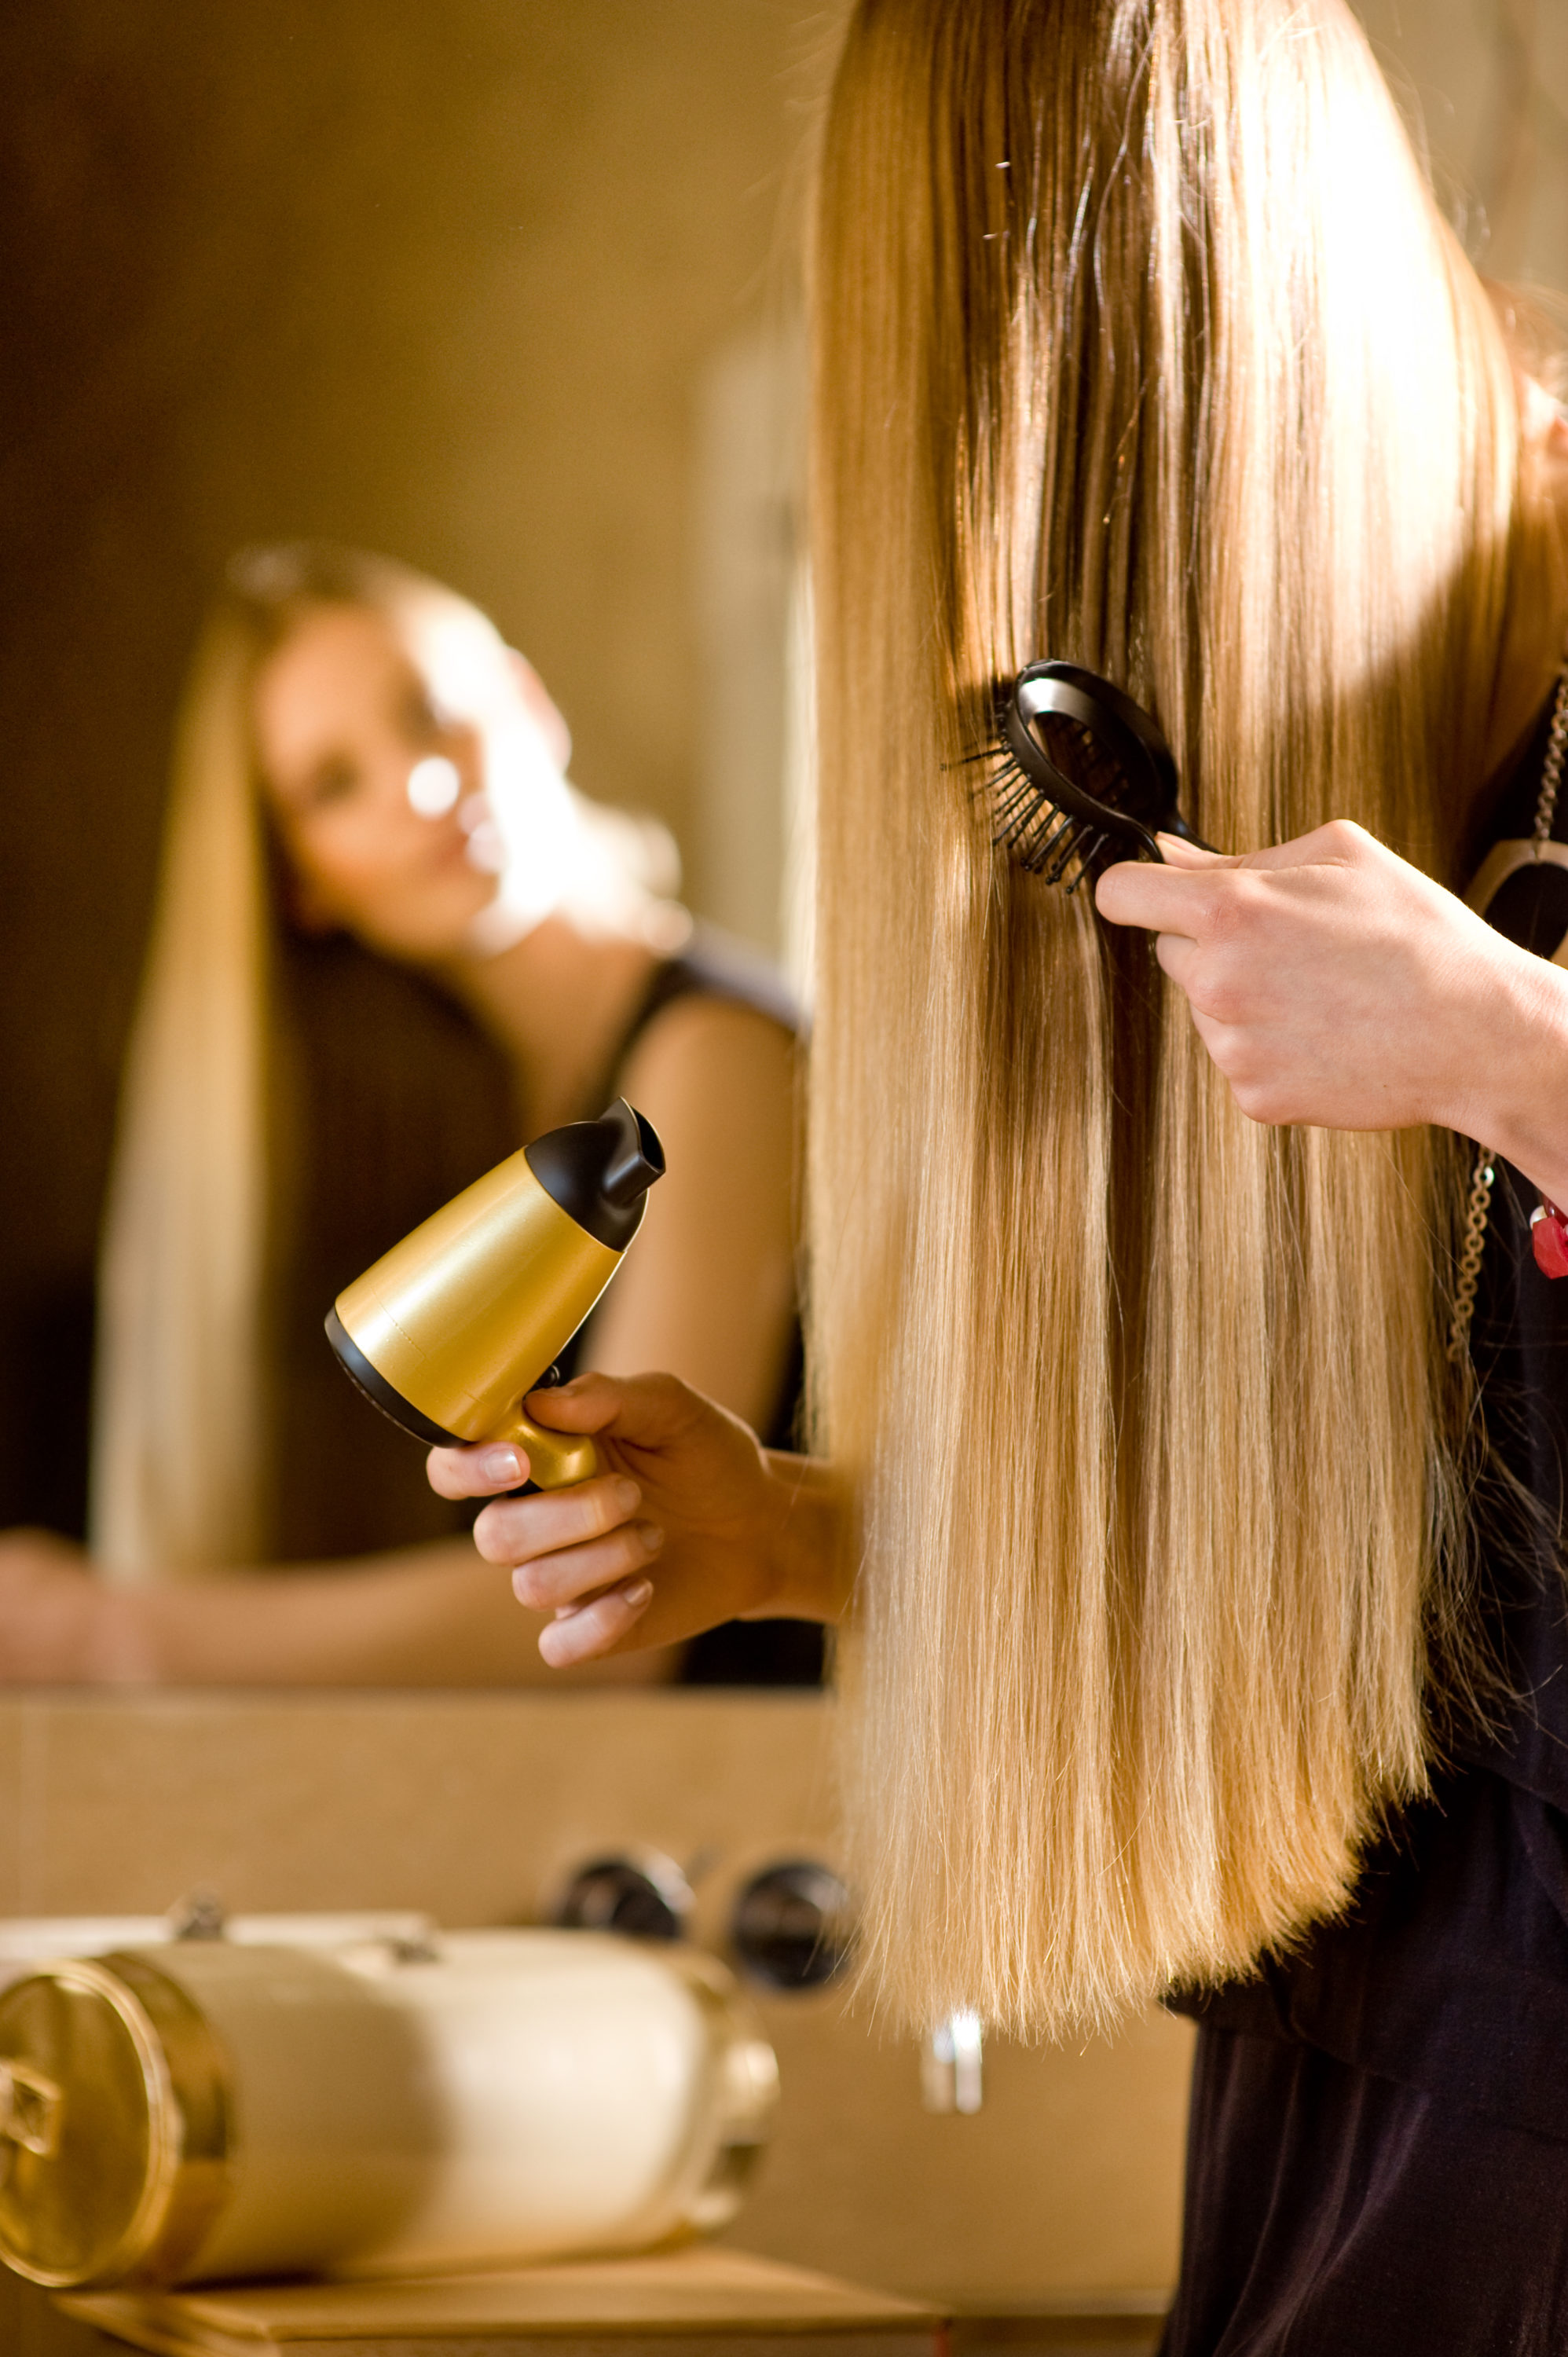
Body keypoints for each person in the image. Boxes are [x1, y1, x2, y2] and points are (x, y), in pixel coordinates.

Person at [429, 2, 1568, 2345]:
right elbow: (1449, 1583)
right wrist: (811, 1535)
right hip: (1356, 2118)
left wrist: (1509, 1051)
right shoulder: (1332, 753)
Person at [0, 541, 815, 1686]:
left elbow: (626, 1615)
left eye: (434, 715)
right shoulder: (484, 1124)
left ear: (530, 704)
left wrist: (102, 1635)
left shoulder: (717, 1057)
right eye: (335, 784)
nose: (423, 788)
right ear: (307, 884)